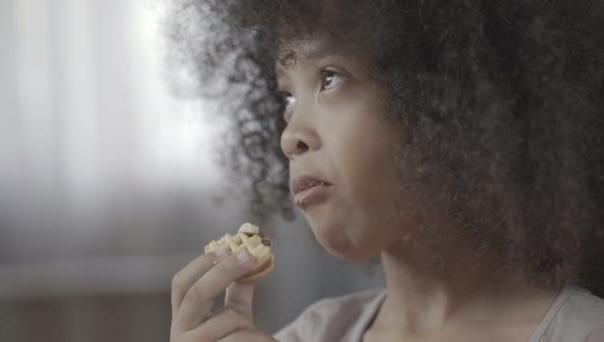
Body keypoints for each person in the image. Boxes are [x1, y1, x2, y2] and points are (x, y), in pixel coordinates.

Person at [167, 1, 604, 341]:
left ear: (452, 100)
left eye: (330, 77)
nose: (289, 137)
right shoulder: (309, 335)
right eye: (286, 98)